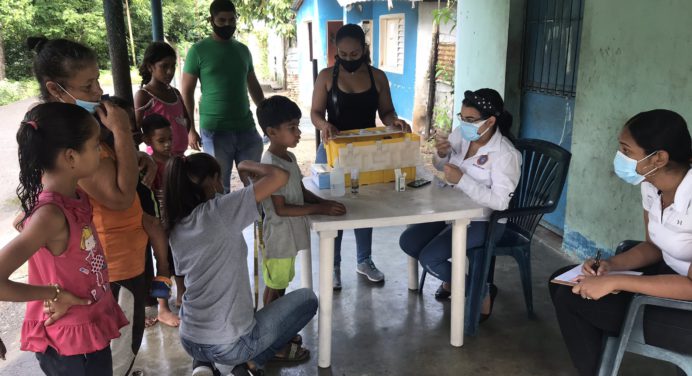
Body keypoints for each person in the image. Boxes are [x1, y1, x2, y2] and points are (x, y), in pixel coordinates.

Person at [28, 36, 152, 375]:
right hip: (107, 266)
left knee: (119, 349)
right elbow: (120, 196)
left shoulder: (77, 131)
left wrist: (131, 154)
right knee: (119, 349)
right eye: (88, 85)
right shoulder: (70, 146)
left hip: (110, 262)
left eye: (98, 79)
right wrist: (123, 133)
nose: (99, 91)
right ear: (56, 89)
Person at [550, 109, 692, 376]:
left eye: (626, 150)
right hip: (669, 277)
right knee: (564, 281)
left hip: (686, 310)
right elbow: (653, 246)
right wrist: (610, 266)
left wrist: (616, 282)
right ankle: (600, 366)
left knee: (573, 301)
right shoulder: (651, 185)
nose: (619, 157)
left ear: (658, 158)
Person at [0, 102, 128, 376]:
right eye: (95, 146)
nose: (100, 152)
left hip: (88, 329)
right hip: (69, 344)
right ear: (70, 157)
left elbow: (22, 221)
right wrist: (54, 293)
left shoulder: (72, 198)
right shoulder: (51, 215)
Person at [164, 154, 317, 376]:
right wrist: (246, 165)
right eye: (218, 179)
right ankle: (247, 365)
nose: (220, 186)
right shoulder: (219, 211)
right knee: (307, 299)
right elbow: (279, 176)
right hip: (230, 344)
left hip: (190, 339)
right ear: (211, 180)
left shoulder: (176, 226)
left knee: (201, 303)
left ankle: (203, 365)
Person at [399, 88, 521, 321]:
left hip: (483, 221)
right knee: (408, 241)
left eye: (471, 120)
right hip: (450, 210)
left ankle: (481, 291)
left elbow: (500, 202)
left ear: (491, 120)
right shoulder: (463, 134)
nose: (464, 124)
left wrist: (463, 180)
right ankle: (453, 280)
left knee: (429, 258)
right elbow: (440, 165)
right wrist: (441, 154)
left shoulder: (506, 154)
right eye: (462, 118)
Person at [311, 23, 411, 288]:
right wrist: (324, 126)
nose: (348, 60)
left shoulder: (377, 77)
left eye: (354, 55)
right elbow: (315, 113)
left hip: (366, 150)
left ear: (364, 50)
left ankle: (364, 260)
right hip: (333, 149)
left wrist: (395, 121)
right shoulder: (325, 77)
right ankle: (333, 266)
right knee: (335, 207)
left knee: (363, 205)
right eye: (342, 55)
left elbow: (386, 111)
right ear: (336, 51)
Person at [256, 96, 346, 307]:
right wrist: (320, 208)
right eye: (292, 128)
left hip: (289, 235)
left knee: (282, 282)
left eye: (297, 126)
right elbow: (281, 209)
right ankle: (269, 332)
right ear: (272, 132)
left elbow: (301, 190)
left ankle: (277, 328)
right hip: (278, 237)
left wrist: (324, 203)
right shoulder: (271, 165)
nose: (299, 133)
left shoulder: (289, 158)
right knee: (275, 286)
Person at [181, 0, 265, 193]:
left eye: (231, 20)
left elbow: (253, 85)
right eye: (222, 20)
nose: (227, 25)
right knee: (218, 188)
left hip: (247, 129)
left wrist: (267, 117)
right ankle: (223, 224)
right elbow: (186, 91)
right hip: (215, 131)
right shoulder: (198, 51)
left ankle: (261, 223)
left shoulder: (243, 50)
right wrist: (190, 129)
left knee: (256, 187)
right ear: (211, 20)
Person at [141, 113, 186, 316]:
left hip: (177, 221)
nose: (168, 144)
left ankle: (181, 293)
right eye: (161, 140)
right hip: (158, 225)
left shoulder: (178, 161)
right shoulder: (147, 166)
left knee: (179, 259)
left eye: (170, 139)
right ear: (147, 141)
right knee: (164, 263)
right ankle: (163, 306)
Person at [135, 41, 192, 156]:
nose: (170, 71)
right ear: (150, 67)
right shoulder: (144, 95)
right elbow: (136, 130)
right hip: (159, 160)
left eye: (172, 66)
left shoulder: (175, 93)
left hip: (180, 157)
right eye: (164, 66)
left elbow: (186, 119)